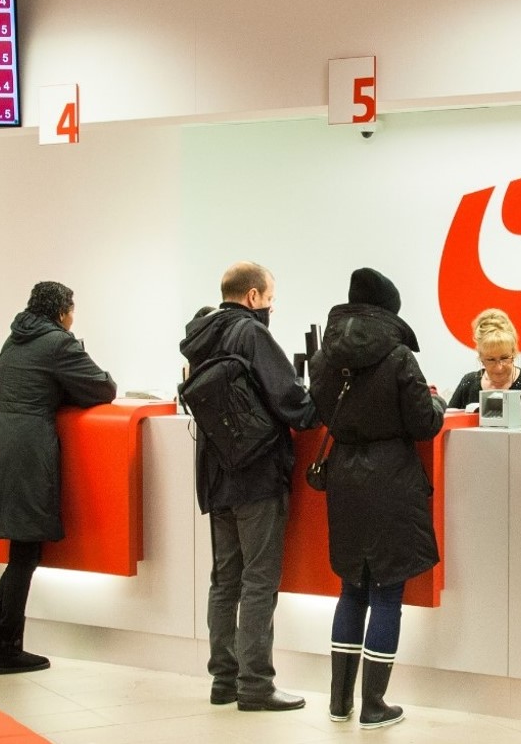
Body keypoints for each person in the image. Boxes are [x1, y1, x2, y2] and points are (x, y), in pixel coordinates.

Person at [308, 268, 446, 730]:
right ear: (390, 311)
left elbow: (320, 411)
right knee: (387, 593)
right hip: (391, 479)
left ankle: (338, 703)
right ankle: (373, 706)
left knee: (351, 588)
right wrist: (439, 404)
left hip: (344, 478)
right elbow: (424, 423)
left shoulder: (325, 357)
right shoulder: (399, 355)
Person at [179, 261, 318, 712]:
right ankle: (256, 683)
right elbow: (290, 400)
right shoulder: (251, 334)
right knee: (260, 581)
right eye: (271, 298)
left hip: (215, 472)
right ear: (254, 296)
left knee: (225, 580)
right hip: (256, 471)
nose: (271, 307)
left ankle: (224, 680)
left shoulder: (200, 337)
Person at [0, 281, 117, 674]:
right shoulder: (58, 343)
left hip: (1, 444)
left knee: (22, 550)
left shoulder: (14, 338)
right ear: (63, 311)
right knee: (27, 552)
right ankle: (7, 649)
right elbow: (104, 388)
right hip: (29, 449)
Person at [447, 308, 521, 408]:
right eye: (491, 360)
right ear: (481, 358)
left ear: (513, 353)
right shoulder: (469, 384)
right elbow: (448, 421)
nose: (499, 368)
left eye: (504, 358)